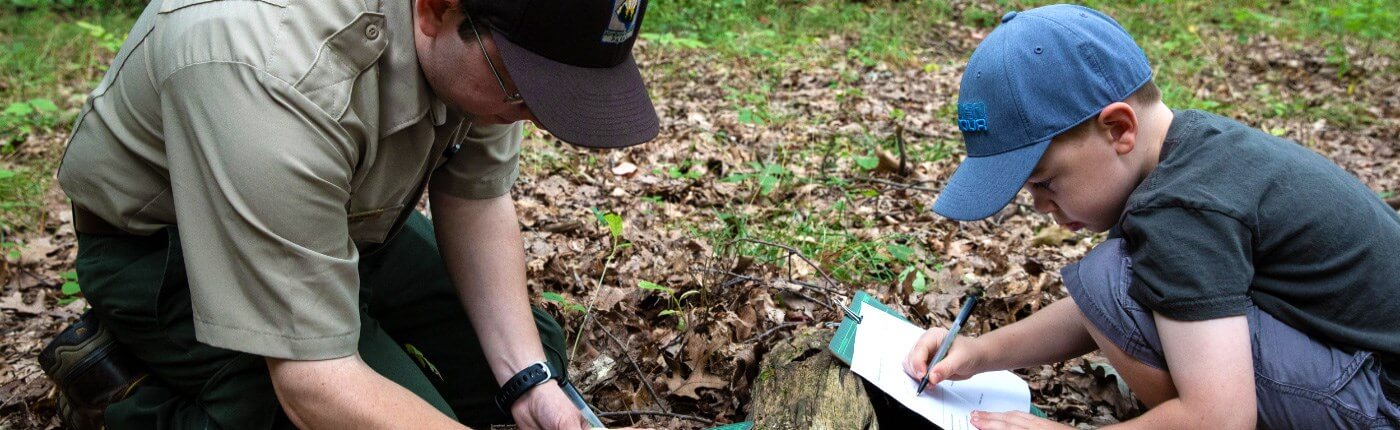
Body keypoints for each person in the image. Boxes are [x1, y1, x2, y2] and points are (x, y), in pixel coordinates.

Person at [40, 0, 658, 429]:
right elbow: (316, 383)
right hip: (164, 244)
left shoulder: (495, 48)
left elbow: (476, 195)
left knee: (532, 359)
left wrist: (530, 384)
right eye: (526, 89)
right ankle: (117, 396)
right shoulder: (272, 65)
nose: (535, 114)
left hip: (346, 212)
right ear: (436, 11)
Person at [905, 4, 1400, 429]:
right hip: (1369, 376)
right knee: (1116, 278)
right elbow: (1125, 305)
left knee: (1108, 277)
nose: (1039, 205)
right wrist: (981, 353)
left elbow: (1221, 420)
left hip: (1382, 404)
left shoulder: (1182, 209)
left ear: (1119, 127)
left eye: (1044, 182)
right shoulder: (1195, 153)